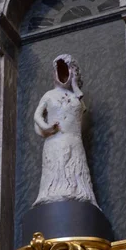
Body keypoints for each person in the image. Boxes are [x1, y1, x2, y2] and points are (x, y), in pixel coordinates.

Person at [33, 54, 98, 207]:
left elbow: (82, 110)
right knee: (56, 169)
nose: (64, 74)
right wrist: (46, 127)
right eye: (60, 70)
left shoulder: (76, 97)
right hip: (55, 140)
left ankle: (79, 193)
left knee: (75, 171)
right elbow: (37, 115)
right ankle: (52, 195)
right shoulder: (49, 95)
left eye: (68, 70)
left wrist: (75, 85)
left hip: (74, 141)